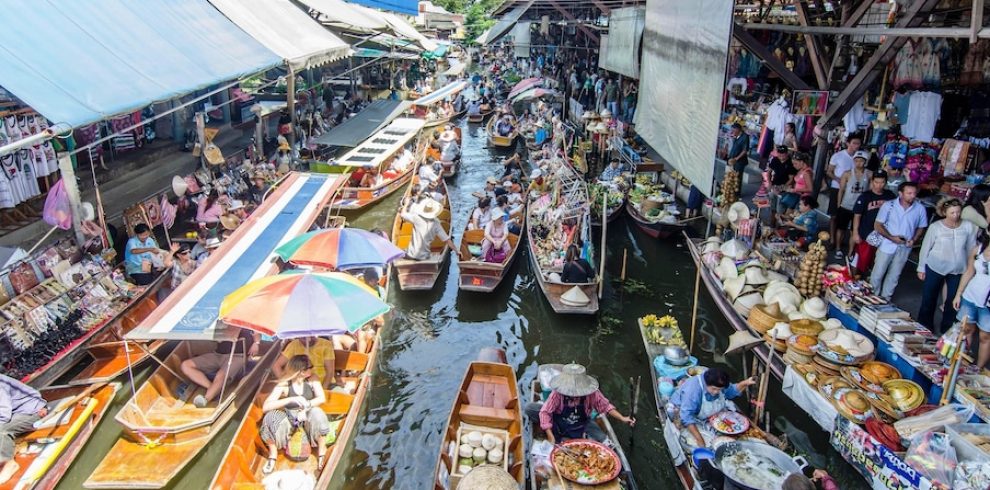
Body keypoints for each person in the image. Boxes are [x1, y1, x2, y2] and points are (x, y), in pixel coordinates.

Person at [525, 363, 634, 443]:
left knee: (604, 440)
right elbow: (545, 412)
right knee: (530, 408)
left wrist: (622, 418)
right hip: (558, 420)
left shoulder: (592, 393)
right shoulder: (557, 394)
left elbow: (605, 406)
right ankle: (553, 432)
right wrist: (550, 435)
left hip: (582, 423)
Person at [259, 356, 330, 474]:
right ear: (300, 372)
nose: (312, 369)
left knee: (318, 413)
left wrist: (306, 406)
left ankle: (322, 450)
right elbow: (266, 407)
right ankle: (273, 454)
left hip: (307, 417)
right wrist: (289, 399)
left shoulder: (313, 379)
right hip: (290, 419)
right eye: (309, 367)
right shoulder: (284, 385)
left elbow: (321, 398)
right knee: (270, 417)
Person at [918, 198, 977, 334]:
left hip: (958, 269)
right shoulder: (936, 227)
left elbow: (970, 248)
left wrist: (970, 268)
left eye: (958, 212)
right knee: (929, 298)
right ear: (944, 212)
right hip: (935, 266)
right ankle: (924, 327)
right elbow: (926, 247)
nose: (955, 215)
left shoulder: (968, 226)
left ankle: (947, 331)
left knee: (953, 301)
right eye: (952, 213)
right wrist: (921, 267)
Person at [666, 368, 756, 449]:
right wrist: (700, 440)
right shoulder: (693, 390)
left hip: (705, 415)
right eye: (714, 389)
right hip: (681, 410)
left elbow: (731, 390)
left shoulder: (719, 383)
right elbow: (686, 416)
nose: (717, 392)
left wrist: (746, 383)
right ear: (706, 383)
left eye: (720, 390)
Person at [870, 181, 928, 300]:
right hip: (886, 245)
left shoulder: (920, 209)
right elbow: (878, 225)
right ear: (901, 193)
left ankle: (886, 298)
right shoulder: (889, 205)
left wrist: (914, 239)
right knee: (878, 273)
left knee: (894, 275)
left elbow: (921, 227)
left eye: (914, 193)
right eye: (909, 193)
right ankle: (872, 296)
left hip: (904, 246)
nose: (912, 196)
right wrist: (892, 238)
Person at [180, 328, 262, 408]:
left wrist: (256, 343)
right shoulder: (220, 322)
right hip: (217, 354)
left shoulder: (245, 321)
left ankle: (206, 399)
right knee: (186, 365)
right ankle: (213, 388)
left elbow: (257, 332)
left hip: (237, 356)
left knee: (221, 375)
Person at [0, 374, 47, 484]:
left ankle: (8, 464)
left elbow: (4, 415)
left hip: (31, 410)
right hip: (13, 412)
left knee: (2, 430)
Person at [851, 173, 896, 274]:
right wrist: (855, 233)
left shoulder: (890, 195)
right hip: (866, 232)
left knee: (876, 260)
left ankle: (868, 280)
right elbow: (857, 216)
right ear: (872, 182)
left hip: (883, 233)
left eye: (882, 182)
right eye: (876, 182)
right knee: (860, 259)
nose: (879, 185)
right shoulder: (865, 196)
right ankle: (853, 280)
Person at [827, 134, 862, 247]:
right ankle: (832, 239)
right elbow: (829, 171)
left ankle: (840, 240)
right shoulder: (838, 156)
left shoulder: (860, 158)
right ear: (848, 143)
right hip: (837, 188)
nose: (856, 146)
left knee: (847, 216)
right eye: (854, 143)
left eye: (858, 143)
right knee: (834, 215)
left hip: (852, 191)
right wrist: (839, 180)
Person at [835, 151, 872, 257]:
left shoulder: (869, 174)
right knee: (841, 229)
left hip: (860, 208)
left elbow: (870, 191)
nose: (858, 163)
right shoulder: (847, 173)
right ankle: (838, 248)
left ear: (865, 162)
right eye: (856, 160)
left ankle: (850, 252)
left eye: (861, 161)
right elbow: (841, 190)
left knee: (854, 231)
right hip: (845, 205)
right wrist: (839, 205)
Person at [767, 146, 795, 226]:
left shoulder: (790, 163)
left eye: (783, 154)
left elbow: (791, 179)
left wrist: (782, 187)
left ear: (786, 154)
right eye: (780, 154)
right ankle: (772, 224)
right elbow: (769, 172)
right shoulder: (775, 160)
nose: (781, 156)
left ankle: (779, 227)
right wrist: (769, 183)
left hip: (784, 189)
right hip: (774, 185)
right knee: (772, 207)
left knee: (780, 210)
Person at [726, 123, 750, 188]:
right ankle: (732, 192)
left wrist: (736, 159)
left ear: (738, 129)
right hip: (733, 159)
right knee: (732, 177)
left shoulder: (745, 137)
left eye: (733, 130)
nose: (732, 131)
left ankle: (737, 194)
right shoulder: (735, 136)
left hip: (740, 161)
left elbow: (745, 150)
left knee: (737, 178)